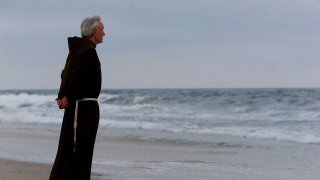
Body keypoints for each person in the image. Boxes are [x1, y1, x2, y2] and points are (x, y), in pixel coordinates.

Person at [50, 15, 105, 180]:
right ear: (94, 31)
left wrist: (63, 96)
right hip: (82, 110)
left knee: (80, 152)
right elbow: (74, 76)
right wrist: (66, 96)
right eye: (102, 30)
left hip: (84, 108)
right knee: (77, 153)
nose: (104, 33)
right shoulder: (86, 52)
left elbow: (66, 74)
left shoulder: (81, 50)